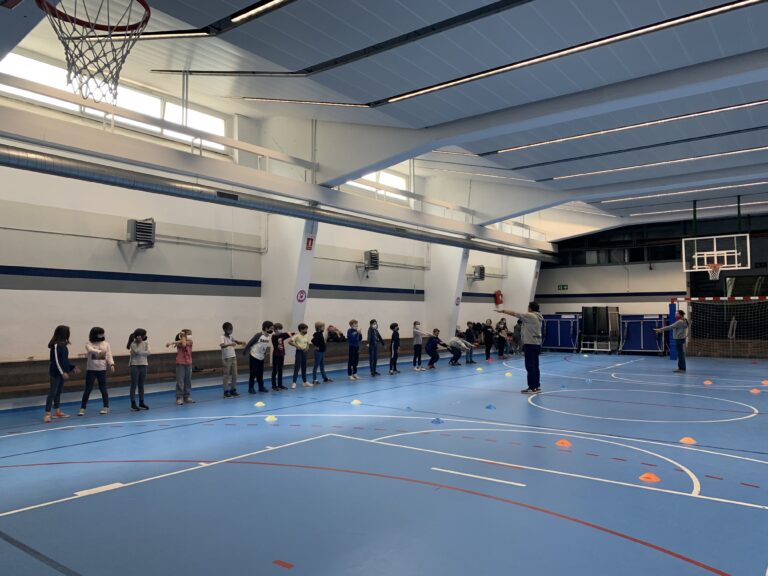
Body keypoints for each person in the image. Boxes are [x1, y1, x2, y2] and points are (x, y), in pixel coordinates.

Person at [499, 302, 544, 394]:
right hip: (536, 344)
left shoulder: (531, 316)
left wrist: (503, 311)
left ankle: (532, 387)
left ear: (530, 308)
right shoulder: (539, 317)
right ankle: (536, 386)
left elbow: (515, 313)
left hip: (530, 344)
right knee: (535, 366)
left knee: (530, 366)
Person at [44, 325, 80, 423]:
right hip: (55, 373)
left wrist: (72, 367)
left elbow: (64, 361)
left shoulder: (64, 346)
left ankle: (57, 411)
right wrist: (62, 372)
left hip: (61, 373)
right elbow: (56, 360)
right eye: (67, 332)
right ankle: (47, 413)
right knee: (52, 392)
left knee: (58, 392)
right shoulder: (56, 345)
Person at [80, 326, 114, 416]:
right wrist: (99, 352)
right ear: (95, 334)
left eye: (102, 333)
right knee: (88, 389)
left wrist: (111, 364)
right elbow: (90, 350)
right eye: (100, 333)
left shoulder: (106, 344)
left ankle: (106, 406)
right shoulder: (89, 343)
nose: (102, 335)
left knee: (103, 388)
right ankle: (82, 408)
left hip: (102, 369)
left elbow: (109, 355)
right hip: (91, 369)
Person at [244, 321, 273, 393]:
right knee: (253, 373)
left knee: (260, 373)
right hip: (254, 356)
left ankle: (261, 387)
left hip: (261, 357)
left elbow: (264, 346)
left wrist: (264, 353)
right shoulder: (258, 335)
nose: (272, 330)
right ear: (266, 328)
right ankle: (251, 388)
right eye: (271, 328)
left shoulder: (268, 337)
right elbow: (250, 343)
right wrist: (245, 351)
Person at [167, 329, 195, 405]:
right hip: (180, 363)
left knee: (188, 381)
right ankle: (179, 398)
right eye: (188, 334)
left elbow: (185, 343)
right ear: (184, 335)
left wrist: (172, 342)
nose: (190, 336)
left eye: (190, 334)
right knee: (180, 381)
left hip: (188, 363)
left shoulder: (190, 342)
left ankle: (187, 397)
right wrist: (182, 336)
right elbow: (183, 344)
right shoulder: (179, 342)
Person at [128, 328, 150, 411]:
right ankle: (133, 404)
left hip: (144, 364)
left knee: (141, 385)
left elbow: (149, 352)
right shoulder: (133, 344)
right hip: (135, 365)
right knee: (134, 385)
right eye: (142, 335)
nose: (143, 337)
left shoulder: (146, 343)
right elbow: (137, 351)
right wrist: (142, 350)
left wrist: (141, 353)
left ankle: (141, 402)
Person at [220, 322, 244, 398]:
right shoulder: (222, 337)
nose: (231, 331)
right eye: (229, 329)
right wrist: (230, 344)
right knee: (226, 375)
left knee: (235, 374)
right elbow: (222, 345)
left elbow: (236, 341)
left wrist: (240, 342)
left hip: (233, 357)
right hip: (226, 358)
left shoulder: (231, 337)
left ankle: (233, 390)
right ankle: (226, 391)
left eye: (231, 329)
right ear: (224, 329)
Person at [288, 323, 311, 388]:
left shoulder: (306, 335)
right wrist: (297, 346)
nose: (306, 330)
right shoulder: (297, 336)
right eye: (305, 329)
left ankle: (305, 382)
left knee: (304, 367)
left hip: (304, 352)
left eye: (306, 329)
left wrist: (307, 347)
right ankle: (294, 382)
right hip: (299, 352)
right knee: (297, 367)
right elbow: (290, 342)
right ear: (301, 329)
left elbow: (307, 343)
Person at [271, 323, 292, 391]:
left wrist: (294, 333)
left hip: (281, 355)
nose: (280, 330)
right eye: (279, 329)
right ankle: (274, 385)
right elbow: (282, 334)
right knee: (275, 371)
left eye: (281, 329)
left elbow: (286, 335)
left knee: (280, 370)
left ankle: (280, 385)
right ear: (275, 330)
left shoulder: (281, 336)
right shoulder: (274, 336)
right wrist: (287, 333)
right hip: (276, 355)